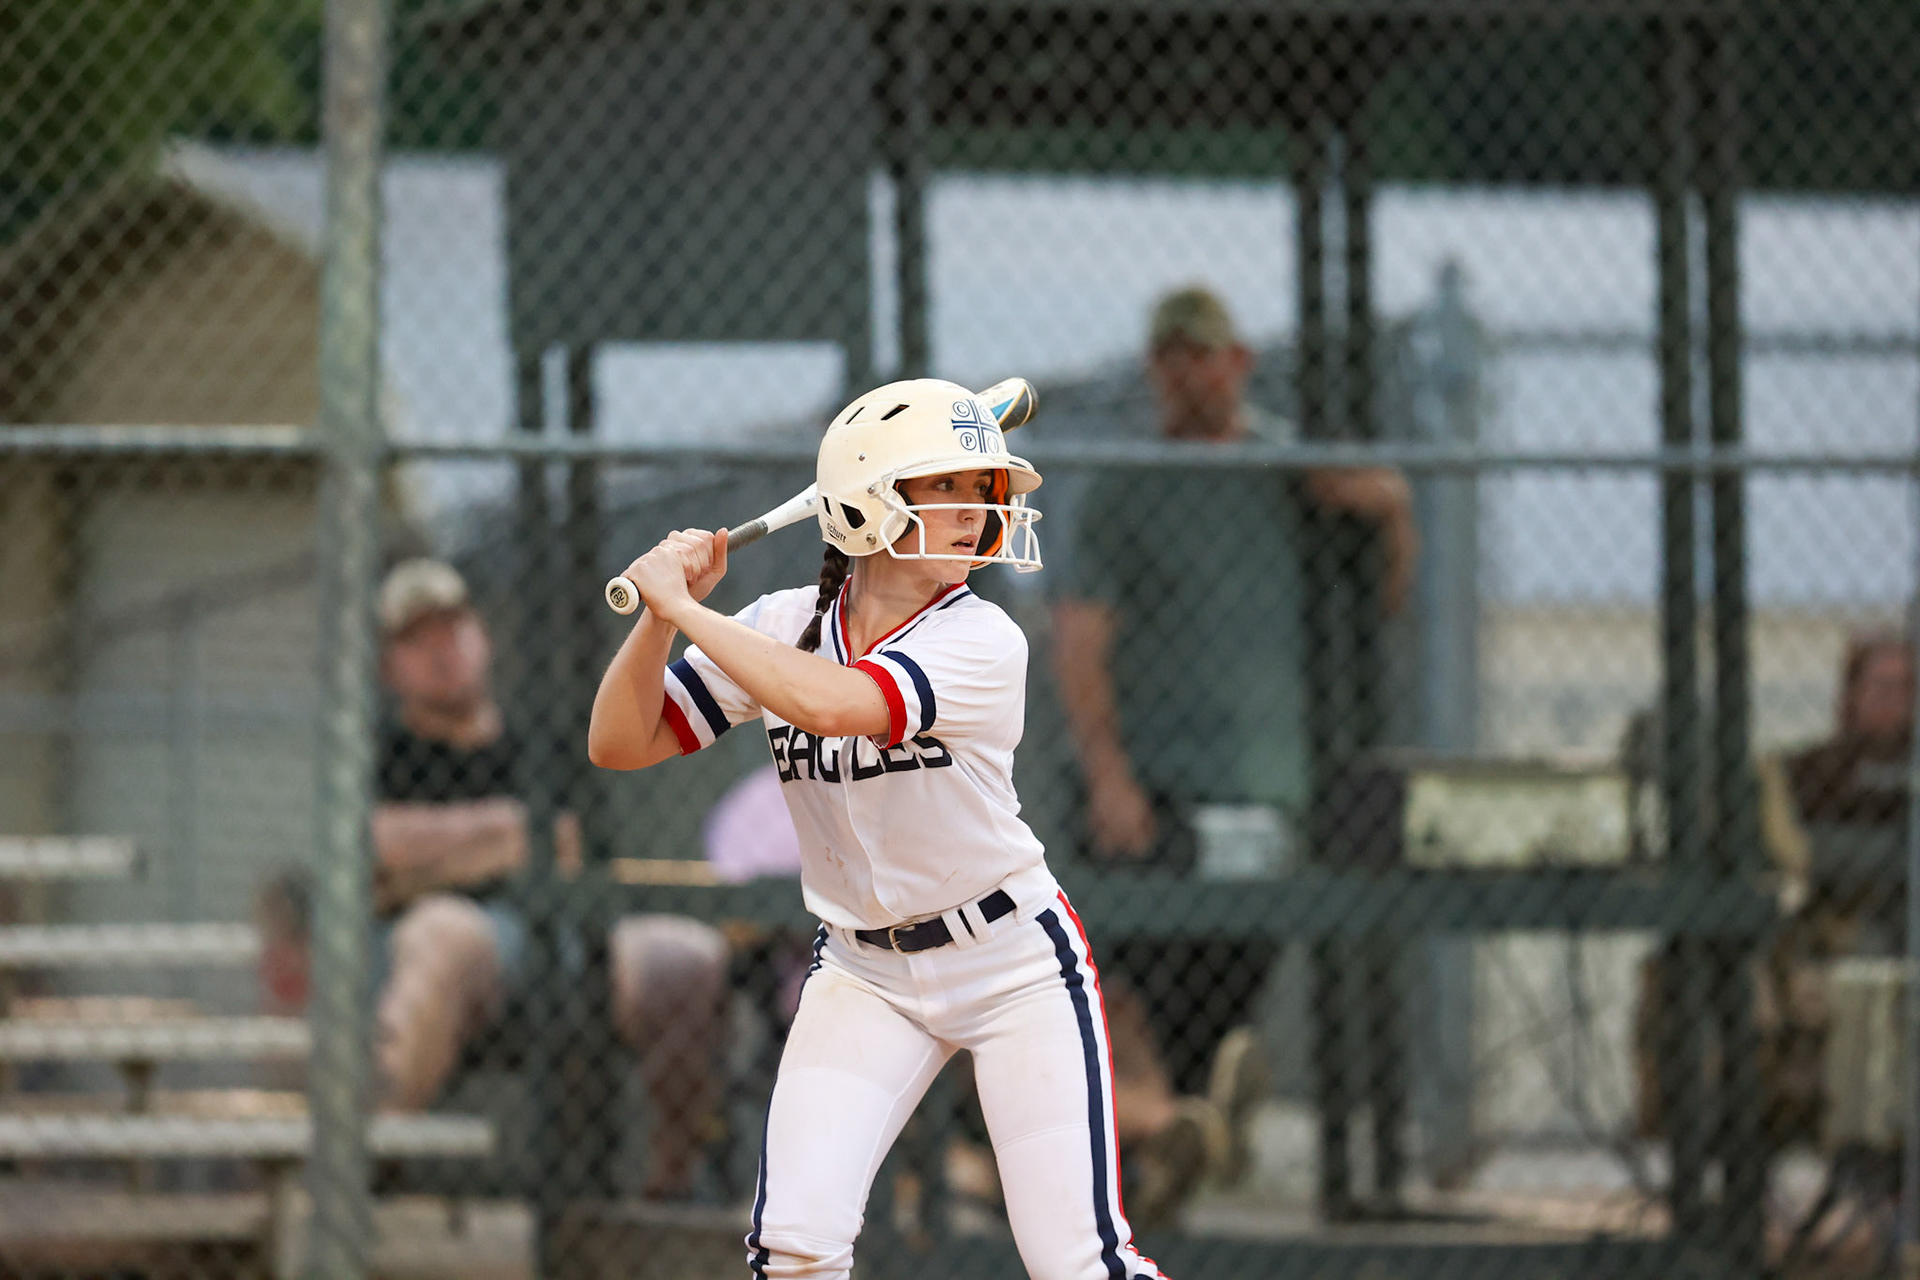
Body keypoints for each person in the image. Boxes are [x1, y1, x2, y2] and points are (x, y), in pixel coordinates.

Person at [590, 378, 1169, 1279]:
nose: (983, 510)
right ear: (870, 507)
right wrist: (658, 625)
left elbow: (833, 704)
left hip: (1009, 960)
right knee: (796, 1250)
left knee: (1077, 1264)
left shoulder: (983, 638)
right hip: (865, 970)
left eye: (986, 490)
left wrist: (688, 609)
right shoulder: (785, 622)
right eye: (954, 487)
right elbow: (621, 740)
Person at [1047, 285, 1418, 1203]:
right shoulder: (1127, 490)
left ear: (1239, 363)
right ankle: (1168, 1138)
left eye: (1206, 355)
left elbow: (1385, 601)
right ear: (1155, 370)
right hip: (1158, 787)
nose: (1191, 375)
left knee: (1223, 992)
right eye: (1173, 358)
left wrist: (1393, 508)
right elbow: (1080, 639)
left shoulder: (1294, 472)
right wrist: (1108, 775)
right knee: (1130, 974)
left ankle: (1184, 1134)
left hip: (1269, 785)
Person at [365, 557, 729, 1199]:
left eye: (451, 629)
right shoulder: (382, 751)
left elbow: (570, 848)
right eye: (417, 640)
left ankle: (670, 1187)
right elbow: (382, 852)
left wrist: (443, 851)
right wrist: (509, 831)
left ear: (482, 636)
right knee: (447, 933)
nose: (440, 651)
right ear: (392, 665)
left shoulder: (541, 741)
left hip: (567, 933)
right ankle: (368, 1171)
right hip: (445, 943)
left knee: (690, 958)